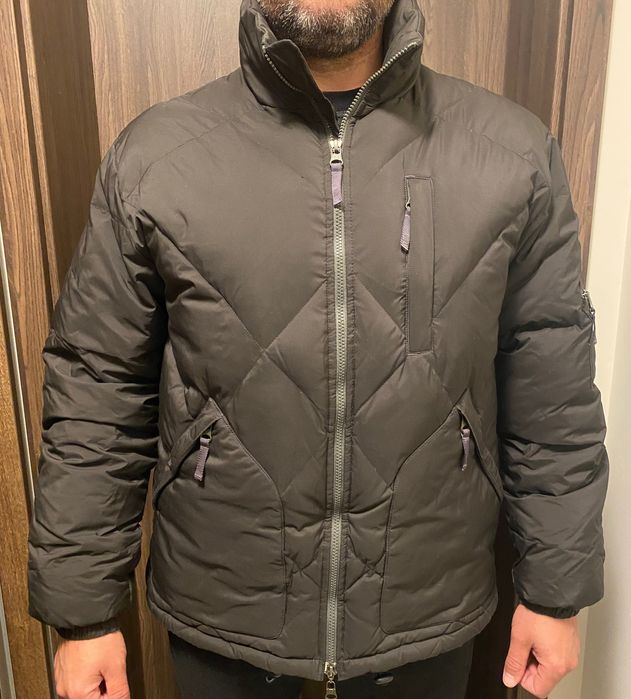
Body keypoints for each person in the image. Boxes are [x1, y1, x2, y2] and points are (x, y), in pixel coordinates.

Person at [27, 0, 609, 697]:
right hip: (224, 608)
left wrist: (553, 592)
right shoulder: (155, 157)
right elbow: (98, 390)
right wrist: (84, 616)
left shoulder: (511, 152)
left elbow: (552, 394)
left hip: (425, 608)